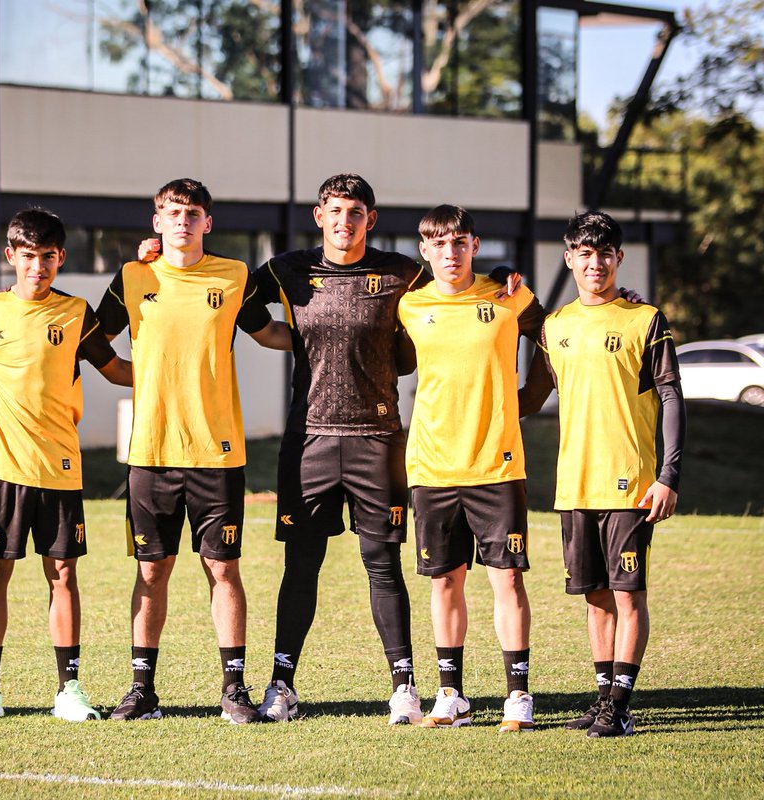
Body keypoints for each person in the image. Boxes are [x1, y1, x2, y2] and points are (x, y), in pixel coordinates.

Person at [249, 176, 519, 725]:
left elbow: (458, 279)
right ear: (319, 216)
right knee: (301, 567)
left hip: (378, 440)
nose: (344, 221)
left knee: (383, 566)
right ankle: (282, 685)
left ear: (369, 219)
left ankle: (404, 687)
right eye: (335, 211)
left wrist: (505, 280)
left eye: (356, 212)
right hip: (311, 440)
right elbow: (238, 305)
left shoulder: (402, 271)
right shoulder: (286, 269)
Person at [96, 178, 290, 723]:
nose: (183, 220)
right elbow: (94, 338)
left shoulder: (233, 276)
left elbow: (267, 333)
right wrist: (133, 378)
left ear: (209, 223)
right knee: (151, 572)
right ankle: (142, 690)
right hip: (151, 452)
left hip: (216, 452)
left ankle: (233, 690)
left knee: (222, 569)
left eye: (194, 213)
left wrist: (327, 335)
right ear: (156, 220)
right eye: (173, 212)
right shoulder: (135, 277)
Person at [0, 208, 133, 722]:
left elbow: (115, 369)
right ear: (11, 257)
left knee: (64, 574)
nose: (37, 267)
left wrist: (174, 373)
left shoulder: (76, 312)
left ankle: (69, 690)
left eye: (47, 257)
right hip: (0, 465)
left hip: (59, 467)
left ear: (60, 258)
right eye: (27, 257)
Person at [519, 210, 685, 738]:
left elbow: (671, 395)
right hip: (574, 486)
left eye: (604, 253)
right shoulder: (555, 327)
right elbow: (530, 398)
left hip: (630, 483)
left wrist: (669, 474)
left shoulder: (645, 319)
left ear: (619, 258)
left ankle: (621, 705)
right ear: (569, 259)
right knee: (595, 596)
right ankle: (602, 697)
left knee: (628, 593)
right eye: (584, 254)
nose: (595, 263)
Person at [397, 205, 546, 732]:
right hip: (432, 467)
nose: (449, 252)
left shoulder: (508, 296)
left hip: (497, 464)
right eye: (438, 244)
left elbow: (556, 335)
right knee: (444, 582)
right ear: (424, 250)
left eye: (459, 242)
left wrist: (529, 396)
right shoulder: (410, 306)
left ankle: (518, 696)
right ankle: (451, 694)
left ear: (475, 246)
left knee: (506, 579)